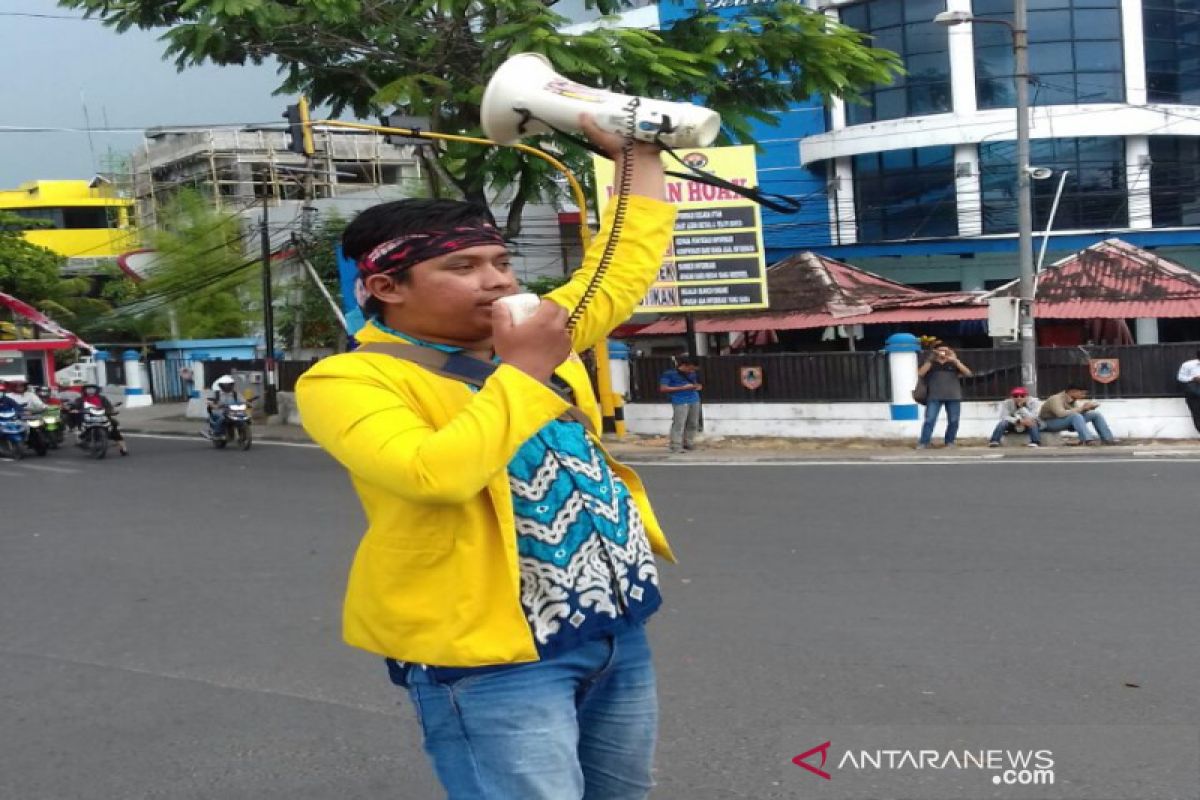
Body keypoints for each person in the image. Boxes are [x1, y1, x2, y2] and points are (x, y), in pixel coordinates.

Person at [296, 116, 675, 800]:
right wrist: (524, 372)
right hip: (491, 659)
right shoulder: (347, 381)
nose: (496, 281)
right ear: (387, 288)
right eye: (462, 267)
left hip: (612, 628)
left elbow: (622, 266)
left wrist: (637, 152)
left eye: (501, 261)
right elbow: (432, 474)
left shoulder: (533, 335)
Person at [916, 344, 972, 449]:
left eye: (945, 350)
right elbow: (920, 373)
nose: (943, 353)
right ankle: (924, 442)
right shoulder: (931, 363)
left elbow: (968, 373)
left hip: (953, 396)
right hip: (934, 396)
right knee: (929, 420)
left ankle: (950, 442)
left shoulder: (953, 363)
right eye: (940, 350)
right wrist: (931, 359)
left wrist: (955, 360)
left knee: (953, 420)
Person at [1038, 383, 1118, 445]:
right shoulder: (1056, 399)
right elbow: (1061, 414)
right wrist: (1082, 408)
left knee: (1095, 414)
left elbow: (1075, 412)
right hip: (1048, 423)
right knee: (1076, 416)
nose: (1084, 395)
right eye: (1082, 393)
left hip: (1065, 421)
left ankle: (1108, 439)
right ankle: (1087, 440)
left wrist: (1087, 409)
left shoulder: (1073, 400)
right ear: (1072, 391)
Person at [659, 355, 702, 452]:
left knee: (693, 423)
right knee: (679, 423)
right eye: (690, 369)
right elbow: (663, 388)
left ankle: (688, 443)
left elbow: (695, 383)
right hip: (679, 400)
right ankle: (676, 445)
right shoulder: (669, 374)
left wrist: (697, 386)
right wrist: (683, 388)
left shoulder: (692, 374)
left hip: (694, 399)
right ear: (685, 365)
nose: (692, 371)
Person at [75, 384, 127, 455]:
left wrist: (111, 411)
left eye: (92, 389)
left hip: (102, 417)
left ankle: (123, 448)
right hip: (87, 418)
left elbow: (109, 407)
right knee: (79, 425)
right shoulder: (80, 399)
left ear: (96, 390)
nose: (90, 391)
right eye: (88, 389)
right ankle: (80, 439)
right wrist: (74, 410)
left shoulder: (102, 398)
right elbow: (75, 407)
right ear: (84, 390)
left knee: (114, 427)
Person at [1178, 349, 1200, 435]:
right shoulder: (1188, 365)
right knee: (1197, 413)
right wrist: (1193, 378)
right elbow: (1180, 377)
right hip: (1194, 393)